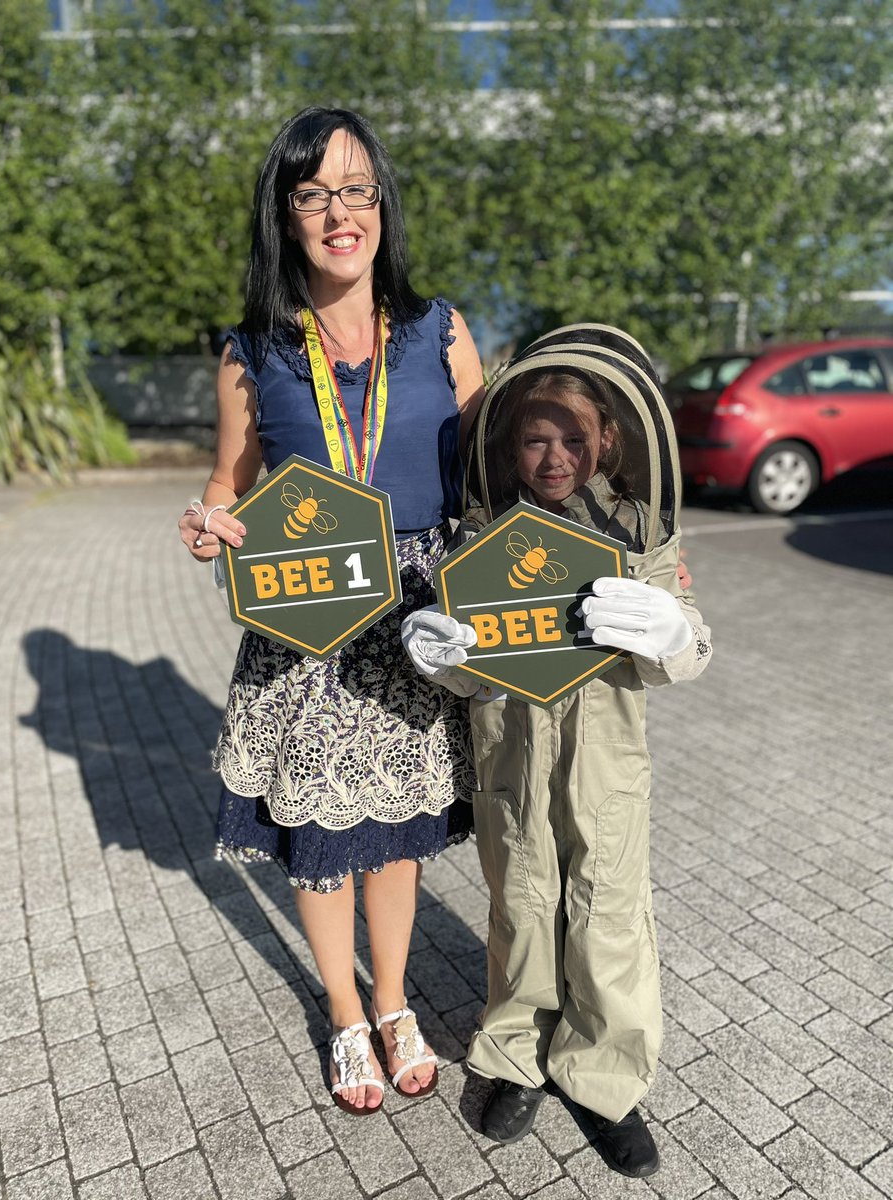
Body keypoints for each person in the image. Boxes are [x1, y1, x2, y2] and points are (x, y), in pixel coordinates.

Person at [178, 106, 484, 1116]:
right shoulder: (250, 351)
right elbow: (229, 481)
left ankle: (397, 1001)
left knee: (396, 829)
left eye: (357, 189)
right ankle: (347, 1015)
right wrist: (213, 519)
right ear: (286, 213)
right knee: (320, 831)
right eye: (314, 193)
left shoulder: (442, 330)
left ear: (383, 206)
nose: (339, 212)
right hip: (306, 619)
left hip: (416, 622)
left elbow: (495, 476)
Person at [401, 325, 712, 1176]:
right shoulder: (483, 533)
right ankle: (516, 1053)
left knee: (606, 915)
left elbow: (693, 652)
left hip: (606, 769)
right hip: (510, 764)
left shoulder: (634, 527)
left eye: (574, 437)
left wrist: (670, 629)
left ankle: (605, 1078)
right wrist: (441, 656)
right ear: (508, 442)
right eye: (536, 437)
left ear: (609, 439)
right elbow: (467, 666)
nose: (554, 455)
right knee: (523, 905)